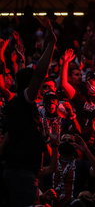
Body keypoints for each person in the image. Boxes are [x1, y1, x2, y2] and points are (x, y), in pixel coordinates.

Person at [2, 20, 56, 207]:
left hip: (19, 173)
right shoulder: (23, 102)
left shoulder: (18, 105)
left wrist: (22, 61)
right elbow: (39, 74)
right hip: (22, 176)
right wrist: (51, 43)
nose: (40, 88)